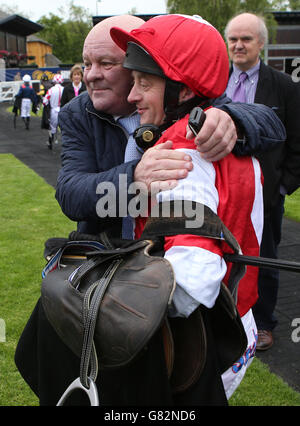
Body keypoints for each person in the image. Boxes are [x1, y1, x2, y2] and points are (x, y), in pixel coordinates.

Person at [14, 15, 286, 406]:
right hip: (127, 281)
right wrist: (134, 177)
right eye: (87, 63)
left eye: (107, 64)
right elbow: (71, 193)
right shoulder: (79, 112)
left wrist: (233, 118)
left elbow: (191, 279)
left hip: (160, 312)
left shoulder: (191, 136)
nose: (90, 75)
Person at [225, 12, 300, 351]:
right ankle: (224, 318)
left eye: (246, 39)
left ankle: (264, 323)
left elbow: (297, 141)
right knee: (222, 253)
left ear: (261, 44)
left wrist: (282, 186)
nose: (238, 45)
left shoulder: (284, 86)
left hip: (266, 194)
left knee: (264, 259)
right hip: (221, 190)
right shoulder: (214, 81)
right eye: (233, 40)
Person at [43, 74, 64, 150]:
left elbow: (45, 101)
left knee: (52, 128)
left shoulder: (51, 90)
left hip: (53, 111)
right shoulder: (64, 89)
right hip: (62, 110)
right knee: (63, 128)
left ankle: (50, 143)